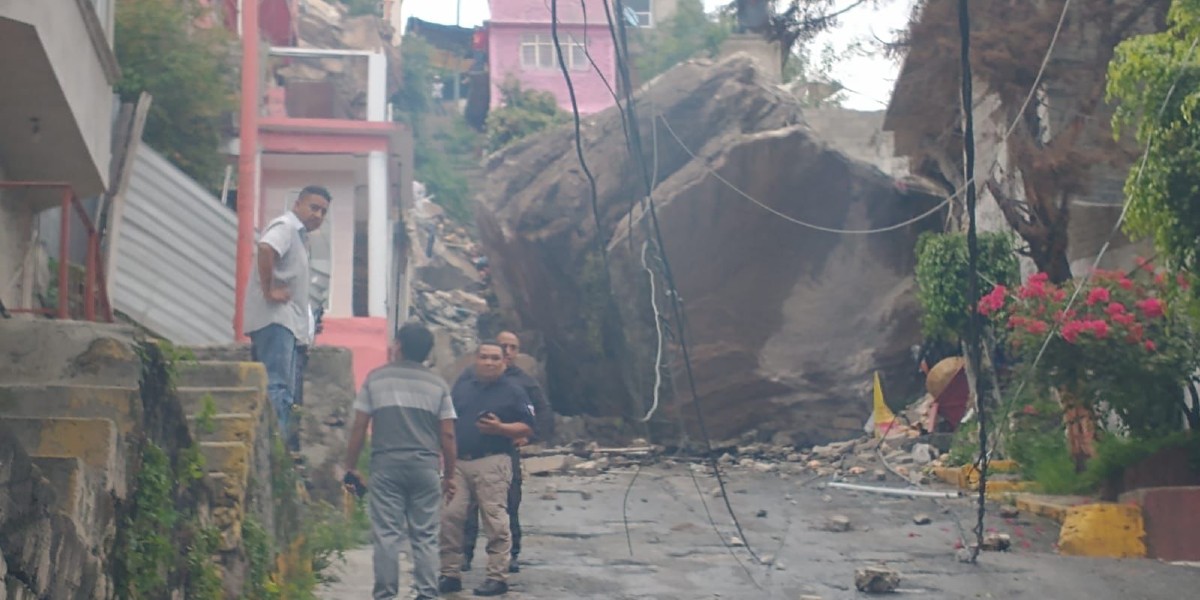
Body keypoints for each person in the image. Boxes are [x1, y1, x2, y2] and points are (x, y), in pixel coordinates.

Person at [343, 322, 458, 600]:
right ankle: (427, 593)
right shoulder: (438, 385)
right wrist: (450, 475)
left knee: (387, 535)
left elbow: (359, 426)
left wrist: (351, 466)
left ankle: (385, 594)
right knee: (425, 535)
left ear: (399, 346)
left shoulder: (376, 379)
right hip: (425, 467)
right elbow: (448, 434)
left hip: (386, 467)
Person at [438, 341, 534, 597]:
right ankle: (449, 574)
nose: (489, 363)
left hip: (493, 461)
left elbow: (528, 426)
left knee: (495, 520)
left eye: (495, 358)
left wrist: (501, 428)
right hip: (458, 462)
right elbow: (447, 421)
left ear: (503, 363)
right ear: (475, 359)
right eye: (484, 357)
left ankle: (497, 576)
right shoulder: (462, 387)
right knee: (450, 517)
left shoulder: (514, 391)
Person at [244, 185, 330, 442]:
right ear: (297, 205)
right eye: (313, 207)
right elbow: (266, 248)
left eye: (323, 211)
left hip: (287, 323)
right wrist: (269, 289)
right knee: (277, 386)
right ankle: (273, 445)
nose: (318, 215)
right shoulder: (286, 226)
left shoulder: (300, 237)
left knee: (284, 390)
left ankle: (276, 444)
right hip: (275, 320)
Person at [461, 331, 549, 574]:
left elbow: (542, 412)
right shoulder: (469, 378)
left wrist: (527, 436)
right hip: (470, 452)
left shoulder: (524, 382)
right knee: (466, 508)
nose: (507, 352)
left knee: (509, 504)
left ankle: (511, 555)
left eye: (512, 347)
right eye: (503, 346)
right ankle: (464, 554)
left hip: (504, 452)